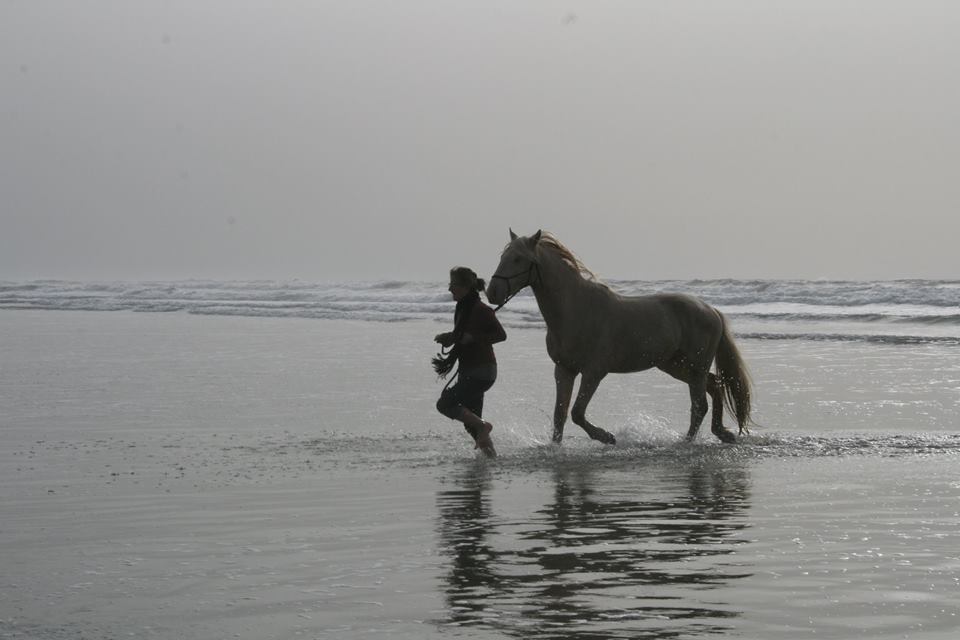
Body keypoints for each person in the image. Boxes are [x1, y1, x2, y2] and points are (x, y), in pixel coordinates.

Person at [434, 266, 506, 457]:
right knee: (471, 424)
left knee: (445, 404)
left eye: (453, 285)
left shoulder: (481, 309)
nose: (450, 289)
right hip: (470, 370)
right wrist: (450, 337)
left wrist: (473, 338)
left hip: (482, 371)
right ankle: (491, 458)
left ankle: (484, 426)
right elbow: (462, 335)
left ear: (466, 287)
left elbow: (500, 335)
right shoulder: (463, 307)